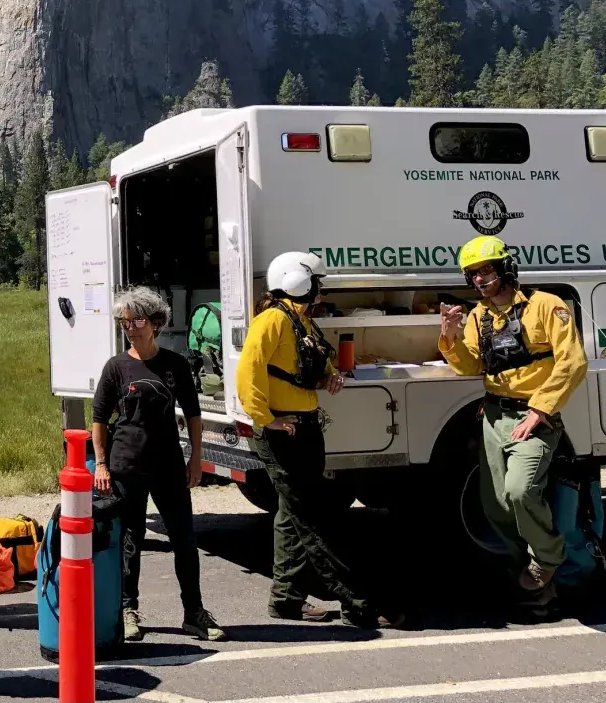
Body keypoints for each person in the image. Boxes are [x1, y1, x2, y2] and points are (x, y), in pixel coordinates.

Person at [235, 251, 402, 629]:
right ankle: (357, 604)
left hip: (306, 426)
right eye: (317, 285)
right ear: (299, 282)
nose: (320, 294)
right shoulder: (273, 320)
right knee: (313, 516)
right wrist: (267, 420)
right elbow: (248, 372)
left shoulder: (301, 322)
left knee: (292, 515)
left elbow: (315, 360)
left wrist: (330, 376)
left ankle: (286, 599)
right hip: (285, 432)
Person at [439, 236, 588, 605]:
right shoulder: (478, 316)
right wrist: (449, 336)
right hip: (494, 415)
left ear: (506, 268)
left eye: (486, 269)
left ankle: (549, 558)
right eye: (472, 274)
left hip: (535, 416)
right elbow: (470, 365)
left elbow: (573, 362)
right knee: (496, 506)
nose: (479, 279)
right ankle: (534, 576)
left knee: (521, 491)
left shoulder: (546, 306)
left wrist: (540, 410)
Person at [93, 286, 225, 643]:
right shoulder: (116, 367)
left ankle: (194, 613)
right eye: (124, 322)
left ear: (155, 323)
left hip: (169, 465)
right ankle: (127, 610)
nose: (130, 328)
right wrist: (102, 465)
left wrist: (196, 457)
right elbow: (99, 418)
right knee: (130, 539)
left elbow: (194, 414)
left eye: (136, 320)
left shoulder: (175, 364)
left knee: (184, 538)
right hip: (126, 466)